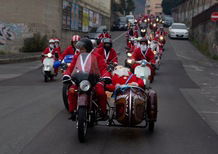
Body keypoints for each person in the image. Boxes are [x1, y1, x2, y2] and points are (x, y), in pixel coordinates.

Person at [62, 38, 111, 120]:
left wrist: (106, 76)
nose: (80, 50)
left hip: (95, 80)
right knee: (72, 91)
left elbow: (103, 68)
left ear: (88, 48)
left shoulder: (97, 56)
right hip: (80, 80)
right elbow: (71, 68)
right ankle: (73, 111)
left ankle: (103, 112)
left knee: (100, 92)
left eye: (82, 49)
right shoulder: (77, 56)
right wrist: (67, 75)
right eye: (79, 49)